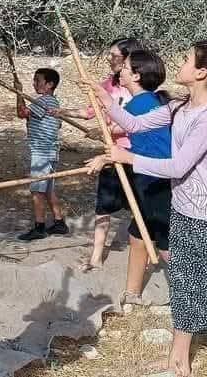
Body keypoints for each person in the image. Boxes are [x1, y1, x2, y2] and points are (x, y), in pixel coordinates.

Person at [87, 40, 207, 377]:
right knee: (183, 285)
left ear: (201, 73)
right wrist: (104, 98)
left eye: (187, 59)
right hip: (183, 212)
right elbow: (135, 125)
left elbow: (178, 166)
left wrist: (128, 157)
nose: (179, 63)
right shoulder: (178, 107)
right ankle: (177, 360)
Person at [85, 50, 173, 300]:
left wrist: (106, 158)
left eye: (124, 67)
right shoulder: (147, 102)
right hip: (147, 178)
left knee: (167, 247)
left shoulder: (141, 105)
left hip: (157, 182)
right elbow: (135, 138)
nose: (119, 70)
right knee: (137, 236)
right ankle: (132, 295)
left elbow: (155, 150)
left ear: (136, 75)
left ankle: (199, 293)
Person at [51, 38, 141, 262]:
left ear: (127, 59)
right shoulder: (108, 84)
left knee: (140, 208)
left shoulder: (140, 88)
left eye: (115, 56)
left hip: (136, 155)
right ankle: (96, 256)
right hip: (111, 153)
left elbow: (138, 122)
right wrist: (63, 112)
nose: (110, 59)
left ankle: (146, 253)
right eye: (109, 54)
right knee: (103, 206)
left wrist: (107, 130)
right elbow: (89, 112)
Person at [15, 68, 68, 241]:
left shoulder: (44, 101)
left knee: (37, 190)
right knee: (48, 189)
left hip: (42, 152)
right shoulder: (54, 103)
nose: (34, 83)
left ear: (49, 84)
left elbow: (21, 113)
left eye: (38, 80)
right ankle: (59, 222)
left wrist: (18, 93)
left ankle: (39, 226)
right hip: (51, 152)